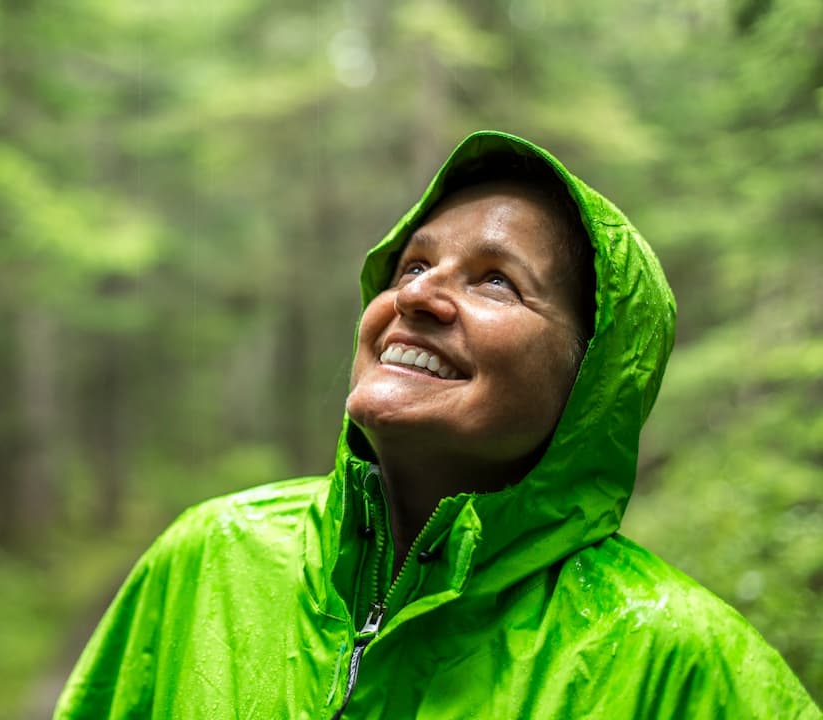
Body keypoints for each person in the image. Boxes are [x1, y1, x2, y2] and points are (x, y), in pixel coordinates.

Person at [54, 131, 820, 718]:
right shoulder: (208, 558)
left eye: (496, 281)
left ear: (591, 382)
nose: (417, 297)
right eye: (413, 267)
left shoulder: (680, 660)